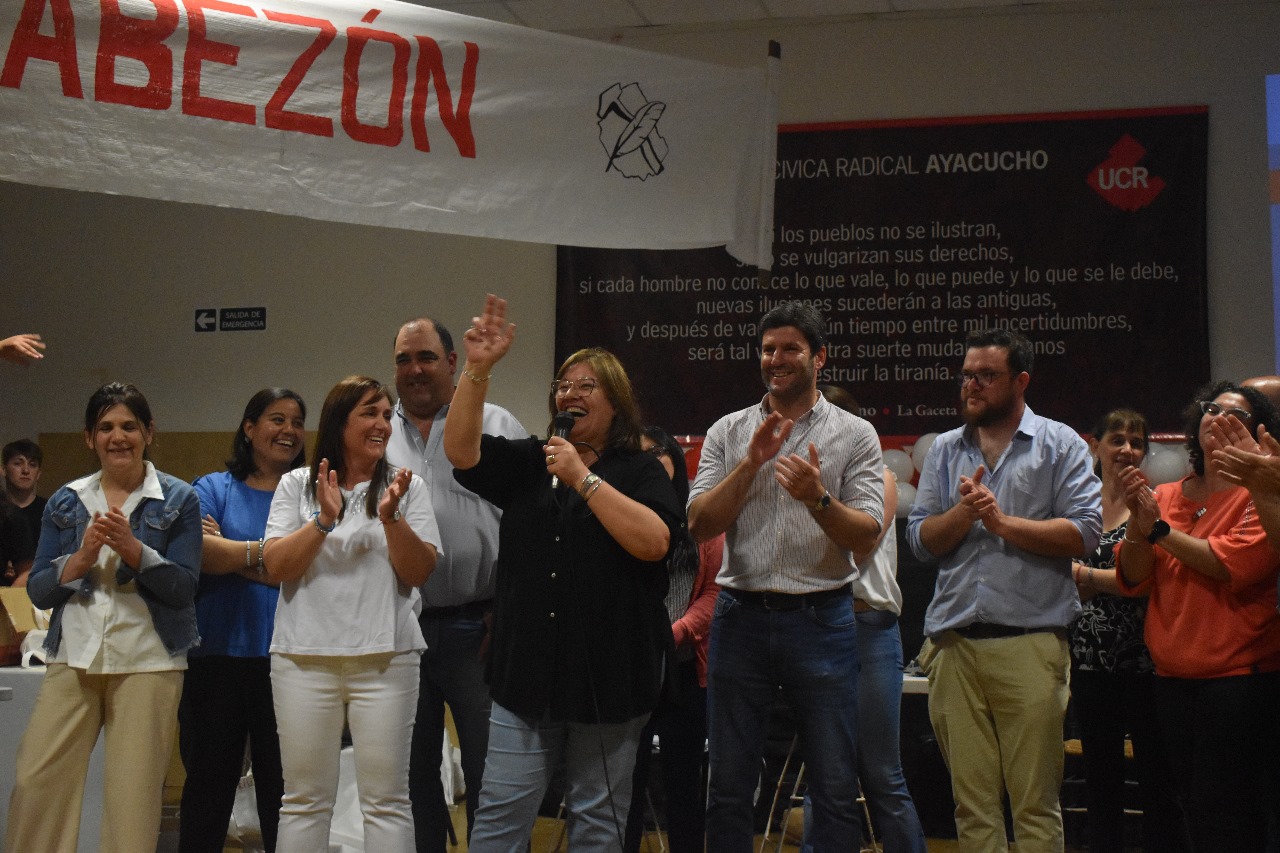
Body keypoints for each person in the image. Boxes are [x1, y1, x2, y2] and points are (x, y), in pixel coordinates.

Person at [443, 295, 681, 853]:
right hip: (525, 678)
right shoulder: (534, 459)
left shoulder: (640, 469)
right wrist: (476, 368)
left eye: (586, 386)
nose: (569, 394)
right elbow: (460, 452)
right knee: (499, 819)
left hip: (610, 681)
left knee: (597, 825)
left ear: (616, 402)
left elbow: (655, 543)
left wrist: (582, 478)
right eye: (563, 385)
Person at [687, 301, 885, 852]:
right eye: (768, 349)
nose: (776, 359)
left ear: (819, 357)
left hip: (821, 620)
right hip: (740, 618)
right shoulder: (728, 431)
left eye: (791, 348)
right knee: (728, 786)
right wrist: (750, 464)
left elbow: (865, 535)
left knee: (835, 785)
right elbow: (699, 523)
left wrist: (817, 498)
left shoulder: (856, 434)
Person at [906, 328, 1101, 853]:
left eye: (986, 376)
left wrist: (1001, 523)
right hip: (953, 645)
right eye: (966, 375)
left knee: (1034, 806)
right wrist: (964, 513)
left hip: (1030, 643)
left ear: (1021, 381)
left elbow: (1084, 531)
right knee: (972, 809)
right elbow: (920, 540)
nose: (971, 385)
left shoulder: (1059, 444)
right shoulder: (945, 449)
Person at [4, 382, 202, 853]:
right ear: (89, 437)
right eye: (106, 427)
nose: (118, 437)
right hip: (73, 656)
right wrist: (81, 558)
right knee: (36, 781)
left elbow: (183, 587)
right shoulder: (66, 500)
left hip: (149, 660)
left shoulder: (179, 497)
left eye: (129, 426)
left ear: (148, 432)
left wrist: (135, 551)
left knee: (132, 799)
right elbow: (39, 590)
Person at [263, 375, 439, 853]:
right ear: (339, 422)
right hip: (303, 659)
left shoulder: (407, 487)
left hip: (387, 659)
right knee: (304, 801)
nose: (382, 423)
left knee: (386, 802)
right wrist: (324, 519)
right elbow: (277, 566)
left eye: (386, 414)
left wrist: (391, 517)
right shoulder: (297, 484)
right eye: (369, 413)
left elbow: (418, 571)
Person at [1115, 381, 1280, 853]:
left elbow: (1231, 566)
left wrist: (1158, 530)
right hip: (1171, 679)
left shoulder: (1262, 496)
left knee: (1228, 814)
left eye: (1236, 414)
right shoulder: (1166, 493)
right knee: (1188, 807)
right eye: (1211, 408)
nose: (1219, 417)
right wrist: (1138, 526)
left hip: (1237, 681)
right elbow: (1134, 576)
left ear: (1256, 431)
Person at [387, 315, 528, 853]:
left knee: (494, 777)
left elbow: (532, 524)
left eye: (425, 357)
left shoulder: (496, 423)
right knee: (412, 779)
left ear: (451, 362)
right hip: (402, 630)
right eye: (403, 360)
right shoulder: (377, 432)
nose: (414, 370)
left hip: (482, 629)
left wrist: (509, 610)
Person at [179, 388, 307, 853]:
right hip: (216, 658)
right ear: (249, 428)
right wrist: (275, 558)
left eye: (297, 422)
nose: (289, 430)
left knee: (284, 792)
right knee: (208, 788)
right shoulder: (213, 488)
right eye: (277, 419)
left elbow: (308, 570)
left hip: (289, 660)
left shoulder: (311, 495)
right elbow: (197, 554)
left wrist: (231, 552)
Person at [799, 385, 927, 853]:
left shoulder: (881, 478)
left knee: (881, 772)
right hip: (814, 625)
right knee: (824, 773)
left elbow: (860, 545)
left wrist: (815, 505)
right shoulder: (798, 484)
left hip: (868, 628)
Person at [1067, 409, 1188, 853]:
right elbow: (1057, 575)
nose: (1128, 449)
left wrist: (1089, 577)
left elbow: (1152, 582)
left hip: (1147, 662)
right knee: (1101, 782)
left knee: (1159, 781)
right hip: (1088, 661)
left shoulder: (1157, 504)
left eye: (1137, 442)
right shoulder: (1075, 504)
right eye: (1117, 439)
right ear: (1094, 446)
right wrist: (1109, 581)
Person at [623, 426, 722, 853]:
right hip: (630, 667)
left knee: (685, 783)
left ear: (676, 463)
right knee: (626, 781)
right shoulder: (617, 512)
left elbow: (715, 593)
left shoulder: (698, 518)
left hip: (684, 669)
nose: (651, 461)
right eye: (641, 454)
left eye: (658, 452)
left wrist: (673, 633)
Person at [3, 438, 45, 547]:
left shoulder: (50, 512)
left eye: (32, 465)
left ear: (38, 474)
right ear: (3, 470)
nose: (26, 470)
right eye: (18, 463)